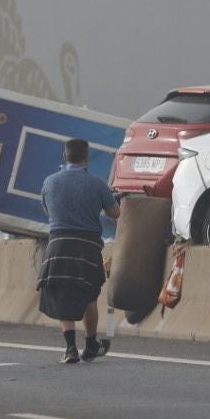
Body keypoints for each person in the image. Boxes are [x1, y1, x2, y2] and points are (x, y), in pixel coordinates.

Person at [37, 138, 121, 364]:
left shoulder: (49, 182)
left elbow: (47, 209)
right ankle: (92, 343)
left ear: (65, 157)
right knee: (88, 295)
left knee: (64, 292)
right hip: (88, 245)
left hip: (58, 243)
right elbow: (115, 213)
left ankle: (71, 348)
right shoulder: (97, 184)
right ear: (86, 157)